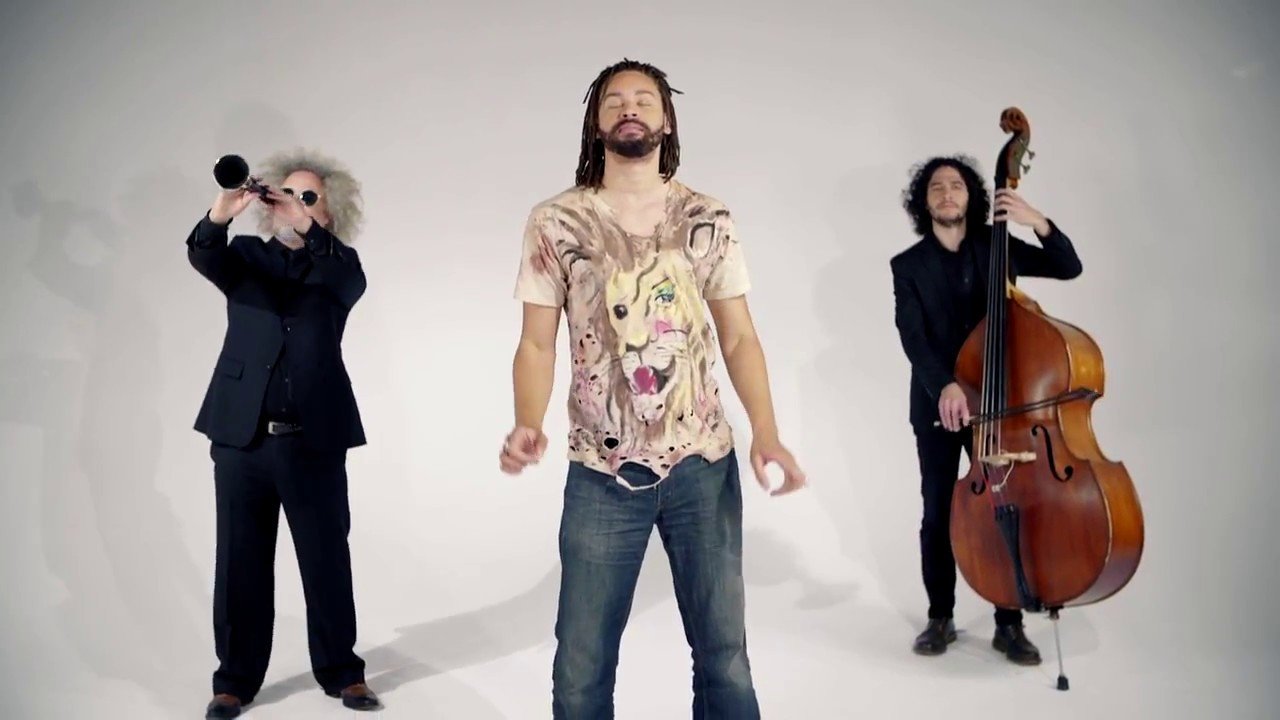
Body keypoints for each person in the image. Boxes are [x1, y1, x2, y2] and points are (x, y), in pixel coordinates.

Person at [500, 59, 806, 719]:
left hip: (704, 463)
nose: (629, 108)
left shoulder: (706, 216)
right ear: (596, 122)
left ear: (667, 120)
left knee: (724, 656)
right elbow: (536, 343)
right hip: (601, 470)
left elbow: (740, 338)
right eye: (614, 101)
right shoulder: (556, 221)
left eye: (644, 98)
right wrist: (527, 421)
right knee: (581, 664)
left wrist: (768, 433)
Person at [185, 149, 380, 717]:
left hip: (313, 440)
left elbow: (348, 280)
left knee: (325, 559)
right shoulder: (246, 257)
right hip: (241, 438)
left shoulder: (339, 267)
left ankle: (343, 673)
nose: (295, 203)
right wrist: (222, 212)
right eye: (287, 193)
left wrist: (308, 228)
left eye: (309, 197)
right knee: (239, 562)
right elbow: (203, 254)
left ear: (330, 213)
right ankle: (234, 680)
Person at [890, 155, 1083, 665]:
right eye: (936, 187)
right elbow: (913, 336)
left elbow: (1069, 267)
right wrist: (946, 386)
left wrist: (1036, 221)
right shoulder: (907, 266)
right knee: (937, 512)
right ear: (924, 201)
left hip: (1001, 408)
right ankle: (940, 616)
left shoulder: (998, 248)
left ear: (971, 196)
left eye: (956, 185)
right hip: (939, 408)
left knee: (1005, 505)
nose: (947, 193)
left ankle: (1009, 623)